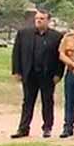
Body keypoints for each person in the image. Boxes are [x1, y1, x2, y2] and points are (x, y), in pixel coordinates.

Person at [10, 9, 65, 139]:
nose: (39, 20)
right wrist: (17, 71)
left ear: (48, 20)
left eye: (42, 18)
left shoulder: (56, 36)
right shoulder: (24, 34)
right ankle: (23, 129)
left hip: (47, 75)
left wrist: (58, 74)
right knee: (27, 102)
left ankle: (47, 128)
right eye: (37, 18)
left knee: (47, 101)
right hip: (29, 74)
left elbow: (60, 57)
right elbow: (16, 53)